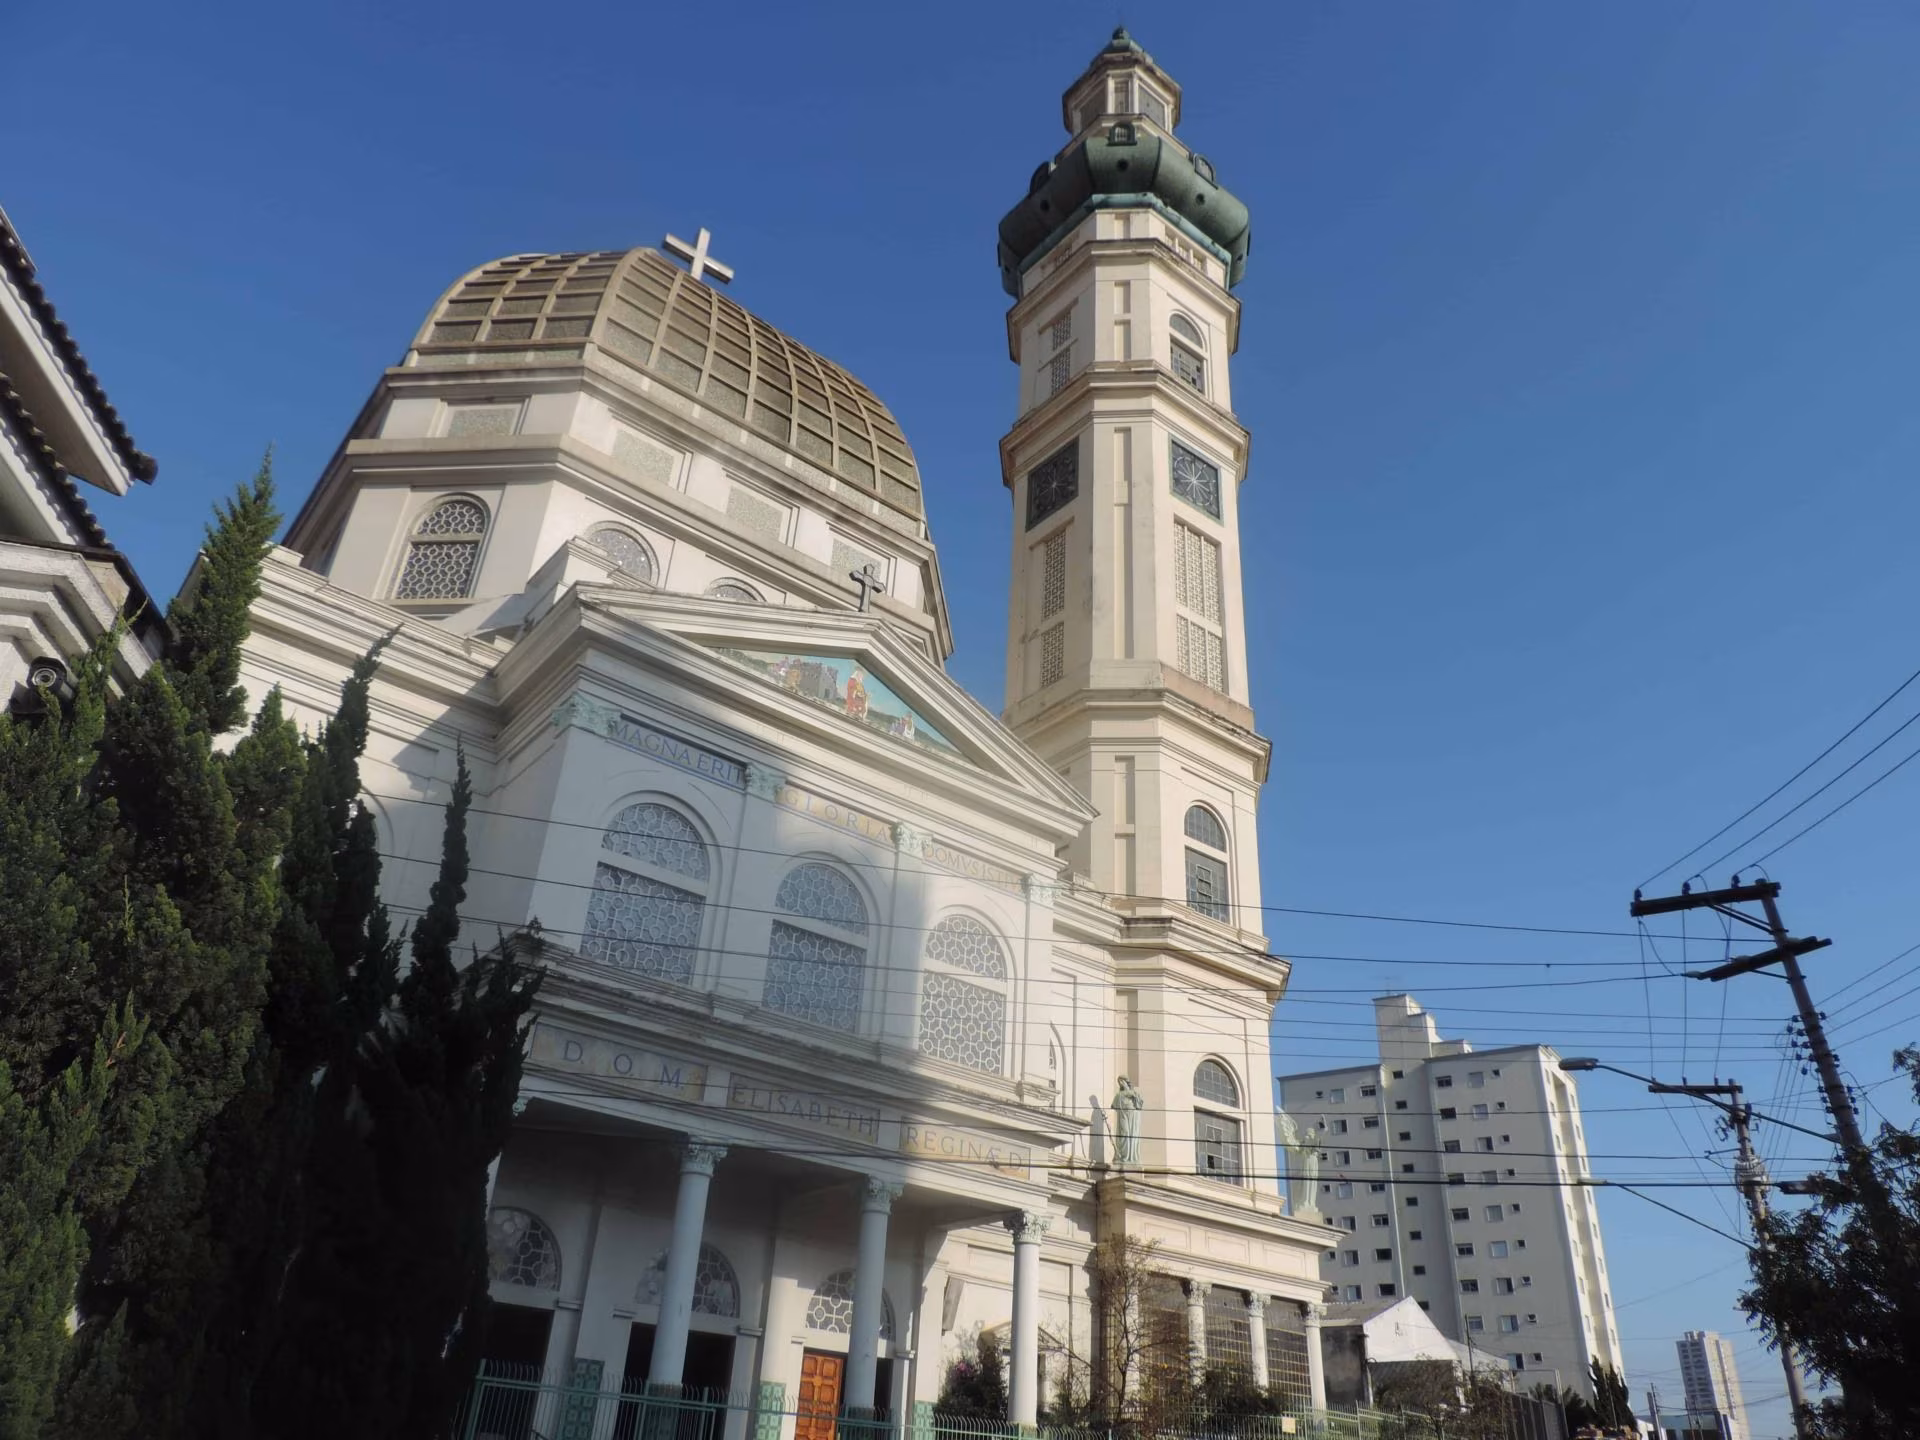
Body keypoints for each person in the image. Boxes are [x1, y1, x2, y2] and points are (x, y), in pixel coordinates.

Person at [1111, 1077, 1144, 1165]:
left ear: (1126, 1082)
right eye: (1119, 1082)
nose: (1120, 1083)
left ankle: (1131, 1157)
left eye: (1122, 1081)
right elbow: (1113, 1105)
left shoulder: (1134, 1093)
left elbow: (1139, 1105)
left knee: (1132, 1135)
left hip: (1133, 1116)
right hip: (1123, 1115)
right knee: (1124, 1133)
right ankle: (1123, 1155)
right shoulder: (1119, 1095)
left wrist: (1134, 1097)